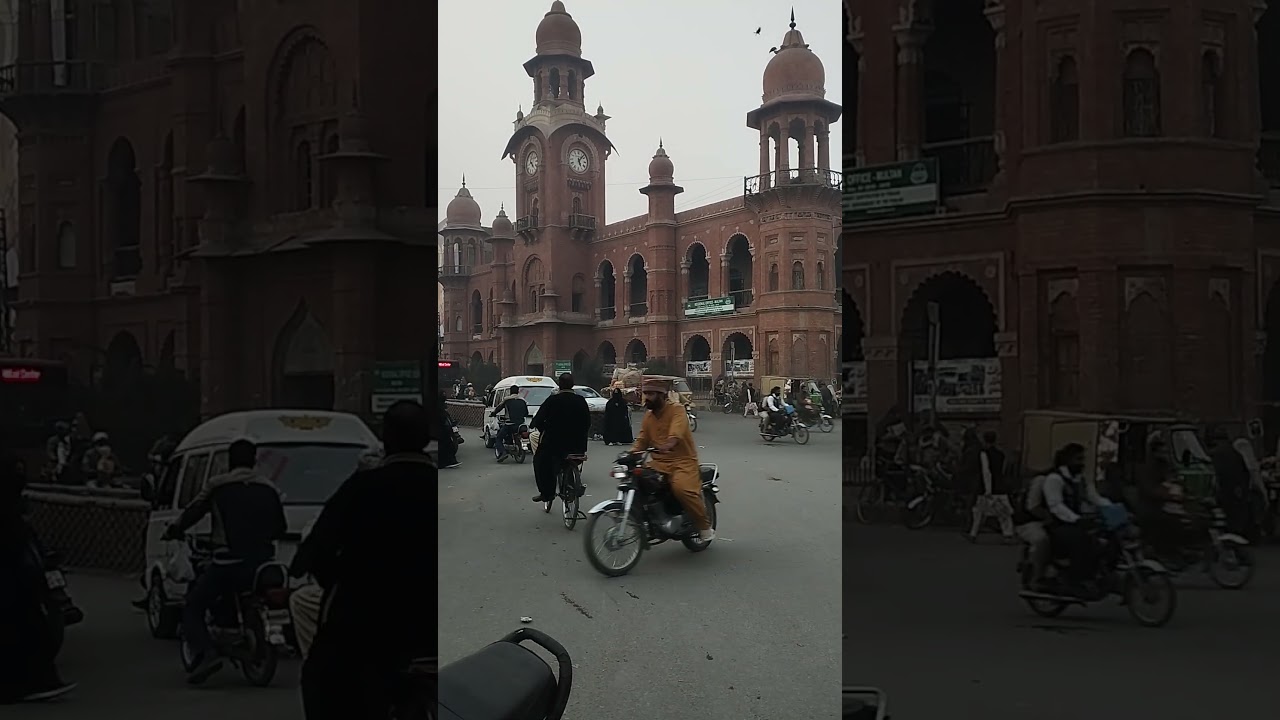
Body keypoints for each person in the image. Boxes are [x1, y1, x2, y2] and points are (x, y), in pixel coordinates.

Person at [292, 400, 433, 720]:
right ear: (426, 438)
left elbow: (314, 553)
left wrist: (345, 581)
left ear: (385, 439)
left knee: (321, 679)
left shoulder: (363, 488)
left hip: (368, 624)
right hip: (430, 621)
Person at [161, 439, 287, 683]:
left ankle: (207, 653)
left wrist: (174, 530)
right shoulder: (269, 488)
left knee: (193, 606)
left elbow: (193, 512)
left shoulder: (218, 485)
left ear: (230, 460)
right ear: (254, 460)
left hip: (229, 562)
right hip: (263, 563)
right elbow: (280, 527)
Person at [0, 452, 76, 704]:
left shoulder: (14, 510)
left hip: (19, 579)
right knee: (23, 631)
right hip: (13, 580)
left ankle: (37, 681)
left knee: (28, 630)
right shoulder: (9, 512)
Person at [632, 378, 714, 542]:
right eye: (645, 393)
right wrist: (631, 454)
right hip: (658, 463)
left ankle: (704, 526)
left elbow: (676, 432)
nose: (647, 398)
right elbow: (642, 440)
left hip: (683, 461)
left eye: (651, 394)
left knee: (681, 488)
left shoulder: (677, 410)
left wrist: (669, 444)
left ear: (662, 395)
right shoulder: (648, 417)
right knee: (637, 481)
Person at [1043, 442, 1112, 596]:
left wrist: (1113, 509)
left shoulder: (1081, 480)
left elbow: (1095, 498)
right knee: (1082, 541)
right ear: (1067, 459)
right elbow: (1056, 506)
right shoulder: (1054, 479)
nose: (1082, 463)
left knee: (1107, 536)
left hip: (1078, 522)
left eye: (1083, 459)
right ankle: (1075, 581)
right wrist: (1075, 519)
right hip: (1058, 525)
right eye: (1078, 459)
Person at [529, 373, 591, 510]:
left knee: (540, 462)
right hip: (577, 446)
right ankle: (572, 485)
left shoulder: (553, 400)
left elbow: (537, 420)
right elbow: (588, 422)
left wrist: (544, 428)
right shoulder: (581, 400)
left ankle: (547, 493)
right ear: (572, 385)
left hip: (554, 446)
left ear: (559, 385)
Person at [1135, 433, 1184, 556]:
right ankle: (1164, 552)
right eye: (1162, 451)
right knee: (1166, 522)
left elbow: (1173, 479)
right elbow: (1150, 489)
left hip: (1163, 505)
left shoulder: (1165, 466)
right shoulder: (1146, 468)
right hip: (1150, 508)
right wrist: (1170, 495)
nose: (1165, 454)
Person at [967, 431, 1015, 543]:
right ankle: (1008, 534)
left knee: (978, 511)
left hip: (986, 487)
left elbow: (986, 471)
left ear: (984, 440)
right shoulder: (1000, 454)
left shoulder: (983, 454)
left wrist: (987, 489)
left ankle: (973, 534)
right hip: (1000, 486)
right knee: (1003, 511)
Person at [1013, 470, 1052, 589]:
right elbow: (1033, 507)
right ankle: (1037, 578)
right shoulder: (1041, 481)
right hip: (1029, 521)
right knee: (1041, 539)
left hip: (1040, 520)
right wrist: (1049, 517)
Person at [1209, 430, 1252, 537]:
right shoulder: (1234, 453)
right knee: (1236, 515)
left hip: (1225, 489)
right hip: (1236, 489)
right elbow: (1245, 473)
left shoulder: (1215, 454)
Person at [490, 386, 530, 462]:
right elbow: (526, 413)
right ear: (518, 391)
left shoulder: (507, 400)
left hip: (510, 424)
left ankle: (503, 452)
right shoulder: (523, 401)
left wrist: (493, 413)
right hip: (521, 424)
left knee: (498, 438)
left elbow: (498, 408)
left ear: (510, 392)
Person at [436, 391, 460, 469]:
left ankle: (450, 461)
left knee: (446, 445)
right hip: (441, 429)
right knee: (444, 445)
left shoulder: (441, 407)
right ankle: (446, 462)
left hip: (443, 429)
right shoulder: (439, 408)